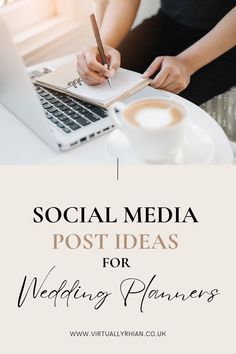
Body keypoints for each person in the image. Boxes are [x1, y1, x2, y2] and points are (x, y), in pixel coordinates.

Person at [77, 0, 236, 105]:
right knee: (99, 87)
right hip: (168, 22)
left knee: (163, 108)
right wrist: (104, 46)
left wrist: (188, 63)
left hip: (227, 39)